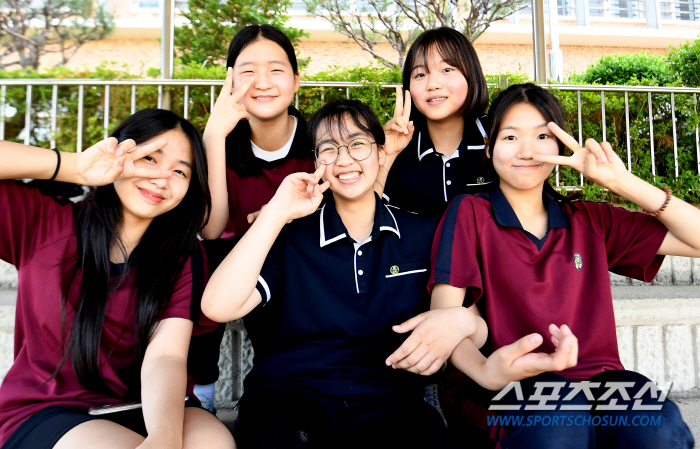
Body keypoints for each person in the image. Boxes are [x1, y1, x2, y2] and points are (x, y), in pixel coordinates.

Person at [389, 83, 696, 448]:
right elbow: (447, 320)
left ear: (559, 148)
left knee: (655, 427)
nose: (527, 150)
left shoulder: (590, 219)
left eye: (541, 136)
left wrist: (621, 182)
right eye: (510, 137)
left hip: (597, 384)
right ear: (488, 149)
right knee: (558, 420)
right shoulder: (471, 212)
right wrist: (487, 373)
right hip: (505, 383)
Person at [201, 99, 478, 448]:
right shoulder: (290, 234)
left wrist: (463, 322)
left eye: (357, 144)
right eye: (329, 149)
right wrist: (277, 211)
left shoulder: (422, 232)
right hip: (288, 399)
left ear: (381, 153)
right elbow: (216, 307)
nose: (344, 159)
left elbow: (473, 323)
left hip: (389, 401)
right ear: (317, 163)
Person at [0, 109, 235, 449]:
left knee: (215, 444)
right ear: (121, 153)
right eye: (149, 158)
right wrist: (76, 166)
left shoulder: (182, 254)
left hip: (152, 406)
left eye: (180, 172)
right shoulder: (42, 222)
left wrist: (164, 438)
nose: (161, 178)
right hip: (49, 410)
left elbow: (166, 357)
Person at [189, 24, 316, 410]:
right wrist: (213, 133)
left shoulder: (317, 141)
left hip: (298, 262)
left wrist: (280, 218)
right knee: (199, 258)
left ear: (296, 81)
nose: (262, 82)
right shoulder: (221, 142)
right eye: (247, 71)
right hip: (233, 267)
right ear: (230, 81)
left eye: (276, 70)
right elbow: (211, 227)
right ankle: (203, 392)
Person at [379, 27, 496, 220]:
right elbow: (368, 224)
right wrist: (385, 155)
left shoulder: (497, 135)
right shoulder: (397, 146)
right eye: (420, 74)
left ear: (471, 75)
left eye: (447, 70)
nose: (433, 84)